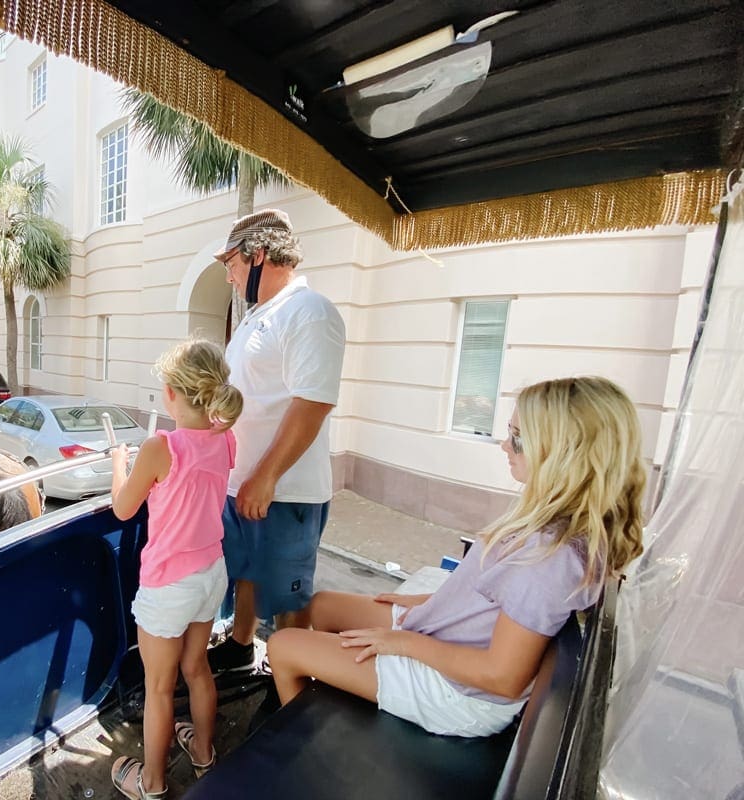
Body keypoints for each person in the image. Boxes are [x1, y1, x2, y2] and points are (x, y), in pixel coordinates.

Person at [267, 376, 645, 737]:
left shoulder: (549, 560)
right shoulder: (548, 527)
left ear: (563, 454)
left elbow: (503, 677)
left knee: (282, 646)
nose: (504, 445)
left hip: (461, 693)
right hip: (458, 639)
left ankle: (301, 744)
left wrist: (403, 643)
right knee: (322, 606)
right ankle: (332, 690)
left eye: (517, 437)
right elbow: (492, 601)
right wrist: (430, 602)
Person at [207, 208, 346, 673]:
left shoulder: (308, 311)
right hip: (241, 481)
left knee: (290, 593)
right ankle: (242, 646)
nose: (229, 276)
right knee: (246, 573)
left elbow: (313, 402)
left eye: (231, 263)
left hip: (285, 490)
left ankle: (291, 678)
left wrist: (265, 477)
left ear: (259, 254)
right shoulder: (256, 317)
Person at [109, 340, 244, 800]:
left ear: (171, 393)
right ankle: (204, 755)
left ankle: (150, 784)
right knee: (198, 667)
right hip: (212, 573)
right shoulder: (226, 438)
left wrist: (118, 465)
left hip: (169, 585)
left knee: (160, 688)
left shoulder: (159, 446)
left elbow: (124, 509)